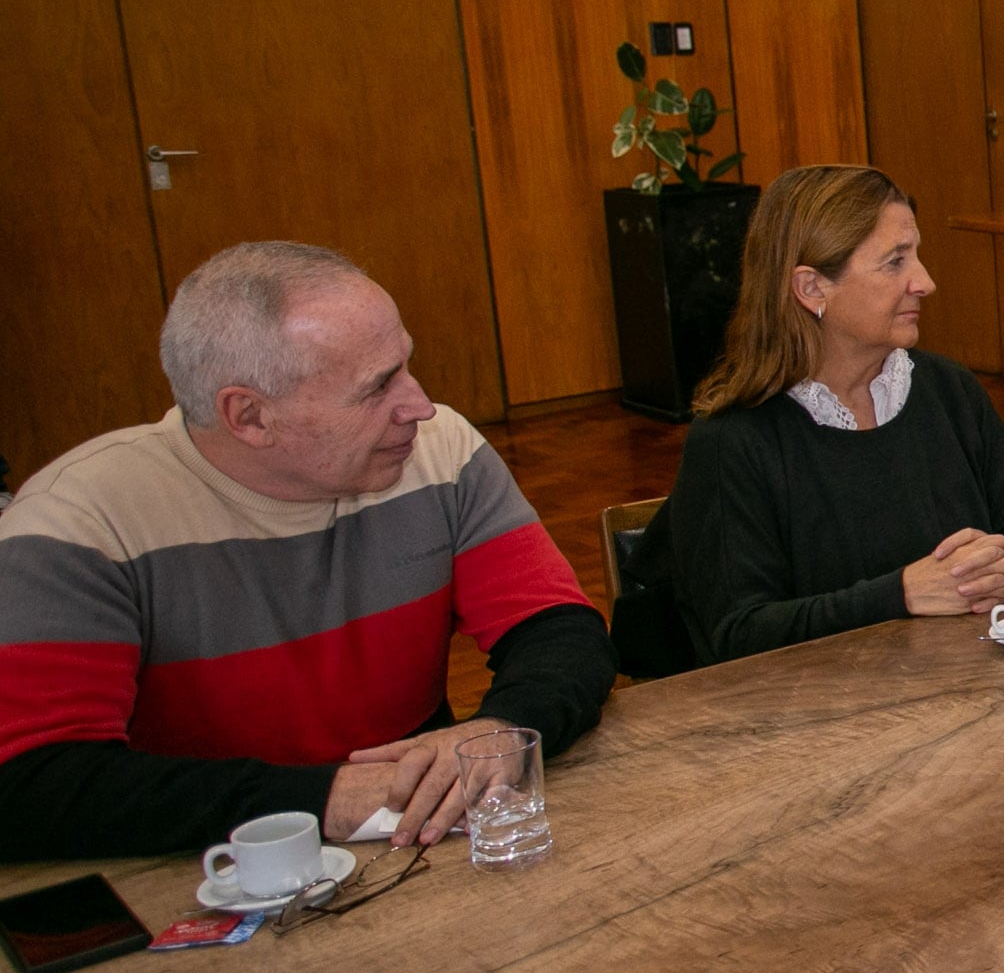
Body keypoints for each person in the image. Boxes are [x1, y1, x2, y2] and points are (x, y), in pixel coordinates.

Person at [0, 243, 614, 860]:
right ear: (250, 416)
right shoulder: (79, 526)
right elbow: (32, 784)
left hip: (415, 841)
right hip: (200, 864)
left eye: (405, 365)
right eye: (377, 387)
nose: (420, 405)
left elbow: (559, 630)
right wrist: (319, 798)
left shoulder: (439, 453)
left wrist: (498, 730)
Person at [660, 165, 1004, 665]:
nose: (925, 282)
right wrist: (899, 596)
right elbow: (737, 633)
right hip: (821, 722)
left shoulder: (947, 389)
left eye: (916, 255)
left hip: (968, 686)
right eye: (895, 262)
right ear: (811, 288)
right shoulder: (733, 439)